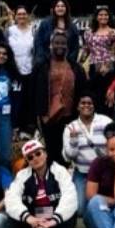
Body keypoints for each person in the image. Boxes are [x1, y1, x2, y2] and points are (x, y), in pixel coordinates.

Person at [0, 139, 78, 228]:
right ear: (27, 161)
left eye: (38, 153)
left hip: (54, 223)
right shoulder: (22, 175)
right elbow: (11, 199)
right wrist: (28, 218)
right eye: (30, 157)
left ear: (45, 154)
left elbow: (70, 197)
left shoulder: (60, 171)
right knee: (12, 215)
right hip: (32, 222)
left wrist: (54, 220)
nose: (35, 158)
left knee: (70, 214)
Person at [35, 30, 88, 165]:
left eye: (63, 43)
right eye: (57, 43)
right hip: (48, 116)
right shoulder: (42, 66)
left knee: (67, 151)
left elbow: (83, 90)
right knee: (51, 151)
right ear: (51, 45)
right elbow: (33, 91)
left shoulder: (76, 67)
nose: (60, 46)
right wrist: (38, 114)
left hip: (69, 116)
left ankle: (65, 176)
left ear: (67, 46)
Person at [63, 93, 113, 218]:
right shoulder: (70, 127)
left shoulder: (106, 121)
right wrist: (74, 141)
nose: (86, 105)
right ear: (77, 107)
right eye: (83, 103)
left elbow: (114, 145)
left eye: (89, 103)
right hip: (83, 173)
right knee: (80, 210)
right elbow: (69, 156)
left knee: (108, 204)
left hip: (104, 172)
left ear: (94, 106)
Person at [82, 5, 115, 116]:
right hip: (94, 67)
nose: (103, 17)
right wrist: (81, 64)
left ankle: (110, 118)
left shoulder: (114, 32)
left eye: (106, 15)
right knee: (95, 95)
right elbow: (86, 50)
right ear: (96, 17)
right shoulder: (89, 33)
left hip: (110, 67)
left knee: (109, 96)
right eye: (100, 15)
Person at [5, 4, 36, 134]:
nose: (22, 16)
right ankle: (15, 127)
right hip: (14, 70)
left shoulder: (33, 30)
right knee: (15, 99)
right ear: (15, 16)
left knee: (28, 99)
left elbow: (36, 50)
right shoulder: (10, 31)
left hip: (29, 70)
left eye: (24, 14)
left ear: (27, 16)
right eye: (19, 14)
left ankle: (28, 128)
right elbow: (5, 49)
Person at [34, 0, 81, 66]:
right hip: (47, 63)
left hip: (66, 64)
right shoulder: (45, 24)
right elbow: (39, 43)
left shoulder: (72, 27)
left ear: (66, 8)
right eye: (58, 6)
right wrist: (42, 59)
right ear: (54, 9)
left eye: (62, 6)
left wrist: (70, 61)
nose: (60, 8)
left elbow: (75, 47)